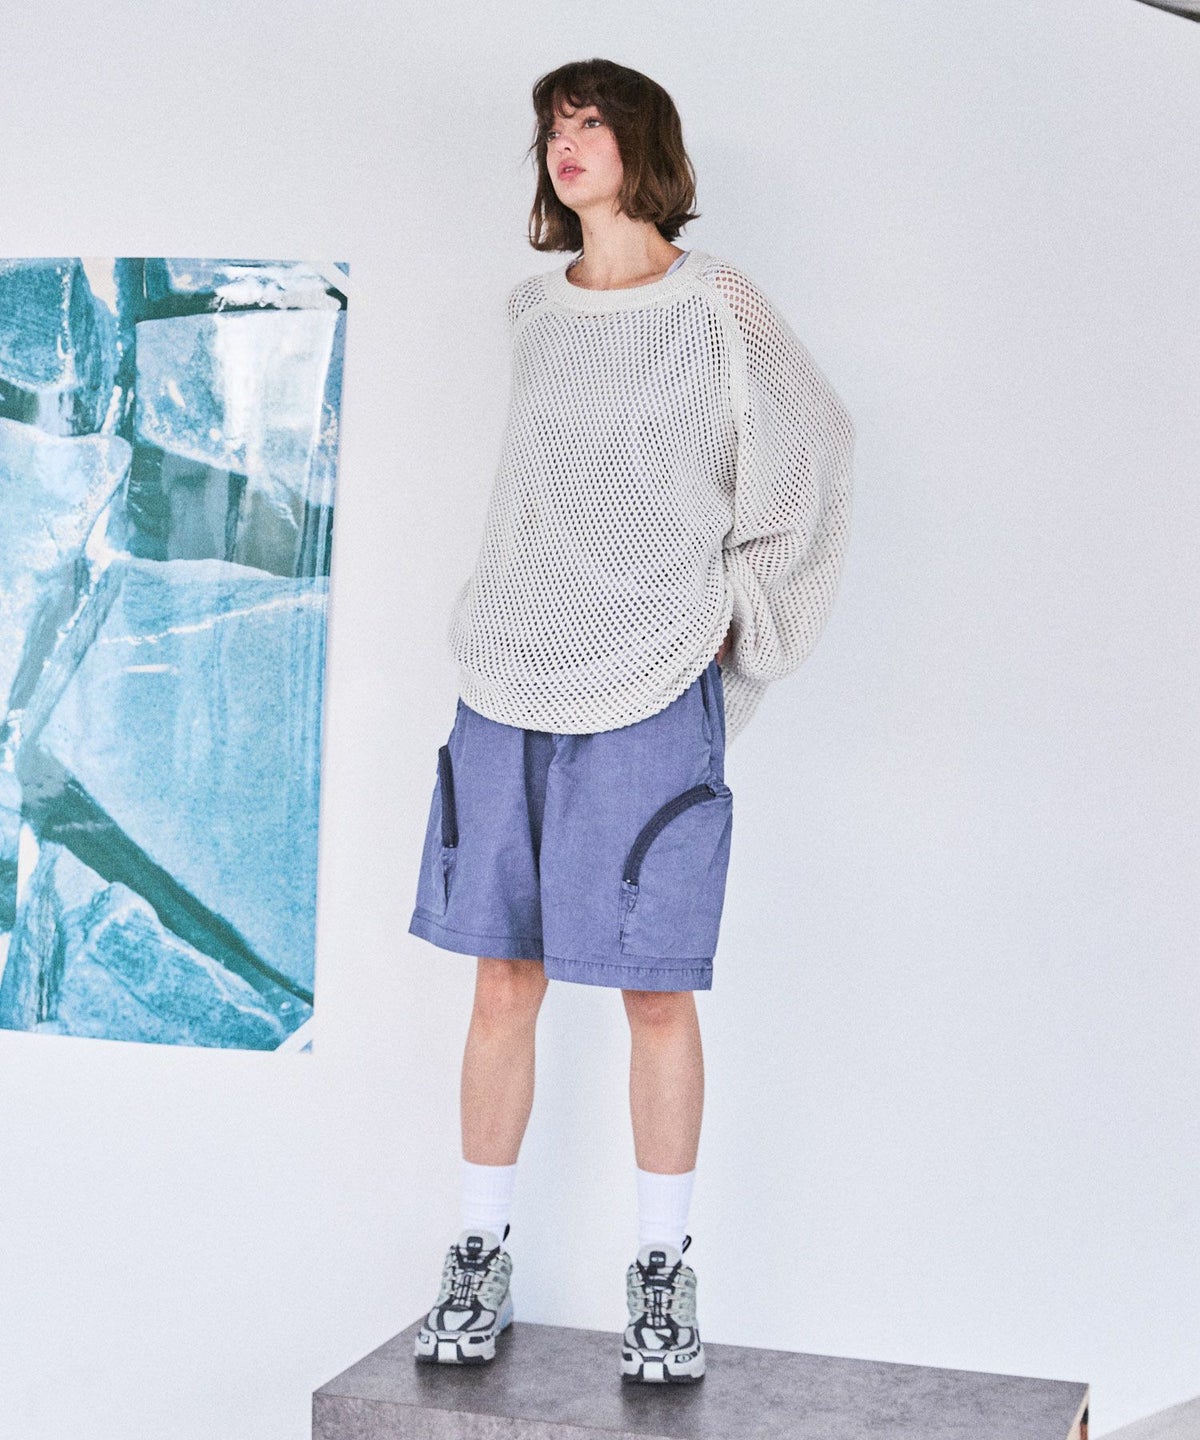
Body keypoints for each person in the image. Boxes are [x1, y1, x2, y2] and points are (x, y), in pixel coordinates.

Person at [408, 57, 855, 1384]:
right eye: (554, 127)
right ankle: (477, 1252)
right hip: (508, 678)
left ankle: (663, 1271)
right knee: (504, 979)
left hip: (652, 681)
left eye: (592, 122)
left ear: (642, 143)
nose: (567, 144)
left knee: (655, 990)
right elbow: (535, 492)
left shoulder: (717, 306)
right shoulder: (532, 311)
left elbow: (818, 448)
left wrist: (737, 615)